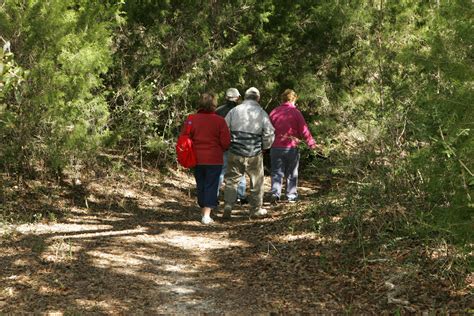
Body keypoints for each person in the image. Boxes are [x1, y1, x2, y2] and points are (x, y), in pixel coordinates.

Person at [223, 87, 275, 219]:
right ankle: (255, 209)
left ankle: (228, 205)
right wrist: (265, 146)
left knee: (232, 180)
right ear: (258, 98)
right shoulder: (261, 113)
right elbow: (269, 132)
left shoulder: (234, 111)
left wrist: (229, 143)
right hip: (254, 153)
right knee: (256, 181)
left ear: (245, 97)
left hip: (235, 151)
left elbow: (224, 129)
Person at [179, 93, 231, 224]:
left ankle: (204, 210)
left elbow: (184, 137)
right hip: (214, 158)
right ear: (214, 105)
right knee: (211, 185)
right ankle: (206, 215)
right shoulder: (219, 121)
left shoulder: (192, 119)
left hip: (196, 158)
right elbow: (226, 142)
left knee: (201, 184)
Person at [269, 89, 317, 203]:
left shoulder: (274, 112)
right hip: (292, 147)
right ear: (294, 99)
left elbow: (268, 129)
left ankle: (275, 194)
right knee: (292, 173)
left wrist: (264, 145)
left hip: (276, 146)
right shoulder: (296, 113)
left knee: (277, 172)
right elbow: (304, 130)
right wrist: (312, 144)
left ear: (283, 99)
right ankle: (291, 196)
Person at [215, 88, 247, 204]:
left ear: (226, 97)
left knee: (221, 171)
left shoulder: (218, 111)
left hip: (222, 146)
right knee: (239, 171)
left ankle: (215, 195)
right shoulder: (241, 111)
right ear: (238, 98)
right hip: (238, 145)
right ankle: (241, 196)